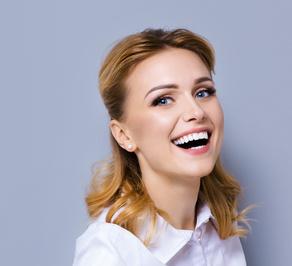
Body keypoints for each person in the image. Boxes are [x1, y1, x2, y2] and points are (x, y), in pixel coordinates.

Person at [73, 28, 251, 266]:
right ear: (124, 135)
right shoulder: (109, 255)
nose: (196, 112)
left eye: (203, 92)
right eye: (163, 100)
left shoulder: (220, 226)